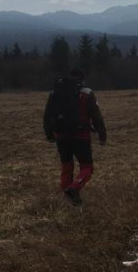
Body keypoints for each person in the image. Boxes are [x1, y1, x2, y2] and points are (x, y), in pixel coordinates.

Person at [43, 68, 107, 205]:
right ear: (83, 79)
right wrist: (102, 135)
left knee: (66, 167)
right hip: (81, 136)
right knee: (87, 167)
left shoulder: (55, 92)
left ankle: (66, 197)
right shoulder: (87, 93)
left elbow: (47, 115)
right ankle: (74, 187)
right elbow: (96, 117)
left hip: (61, 136)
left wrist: (49, 135)